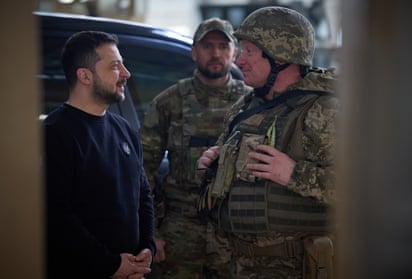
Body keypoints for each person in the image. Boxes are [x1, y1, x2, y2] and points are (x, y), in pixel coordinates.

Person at [196, 6, 338, 279]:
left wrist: (294, 174)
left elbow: (364, 192)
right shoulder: (246, 106)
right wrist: (213, 168)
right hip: (239, 264)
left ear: (281, 57)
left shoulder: (324, 111)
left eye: (249, 51)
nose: (239, 60)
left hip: (298, 267)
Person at [140, 18, 253, 278]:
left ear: (234, 53)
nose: (216, 54)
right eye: (207, 46)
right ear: (194, 52)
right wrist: (151, 233)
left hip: (234, 229)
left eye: (223, 46)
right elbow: (143, 170)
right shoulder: (169, 102)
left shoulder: (251, 104)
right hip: (181, 230)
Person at [43, 31, 156, 279]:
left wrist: (147, 247)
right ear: (84, 75)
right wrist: (111, 264)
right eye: (115, 66)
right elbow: (57, 217)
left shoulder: (124, 129)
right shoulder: (54, 133)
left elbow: (143, 195)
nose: (126, 73)